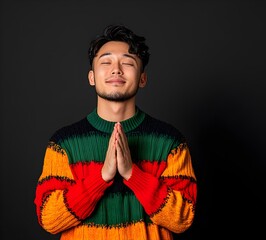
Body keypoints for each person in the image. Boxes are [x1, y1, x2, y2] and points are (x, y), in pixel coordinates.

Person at [34, 24, 197, 240]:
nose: (116, 69)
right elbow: (49, 218)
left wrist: (133, 174)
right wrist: (101, 177)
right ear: (91, 77)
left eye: (128, 62)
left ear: (142, 78)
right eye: (106, 62)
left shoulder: (170, 141)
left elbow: (183, 218)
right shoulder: (64, 143)